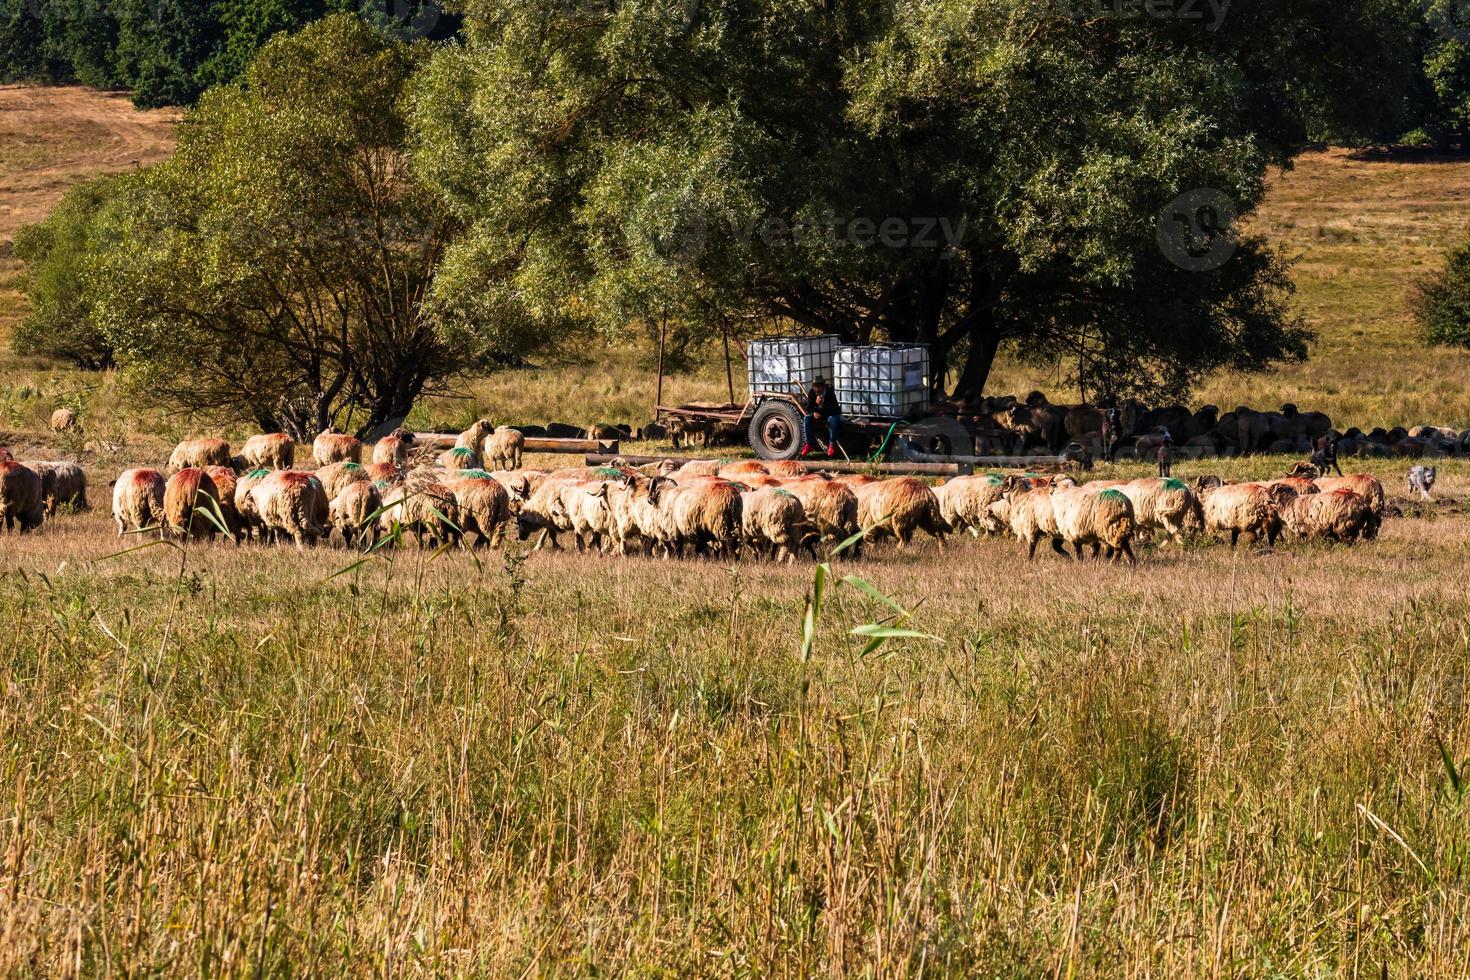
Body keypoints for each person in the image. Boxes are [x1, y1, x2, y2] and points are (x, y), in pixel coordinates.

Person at [800, 376, 842, 458]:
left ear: (823, 386)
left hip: (831, 414)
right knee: (806, 418)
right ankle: (809, 443)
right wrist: (814, 412)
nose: (817, 389)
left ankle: (832, 444)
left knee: (831, 419)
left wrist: (823, 404)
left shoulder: (829, 392)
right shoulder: (812, 392)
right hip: (820, 415)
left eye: (819, 386)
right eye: (815, 386)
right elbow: (809, 407)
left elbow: (834, 409)